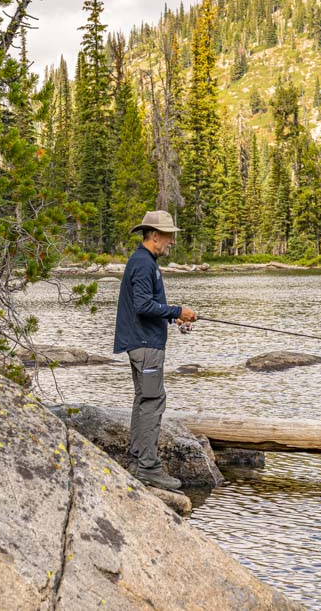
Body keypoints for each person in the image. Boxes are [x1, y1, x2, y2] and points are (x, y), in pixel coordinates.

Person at [113, 210, 196, 491]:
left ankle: (137, 462)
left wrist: (173, 318)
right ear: (156, 236)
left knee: (144, 399)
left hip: (142, 343)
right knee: (153, 401)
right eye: (169, 236)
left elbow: (148, 306)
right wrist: (177, 310)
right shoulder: (142, 263)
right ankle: (148, 467)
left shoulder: (144, 261)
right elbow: (142, 305)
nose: (172, 242)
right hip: (146, 346)